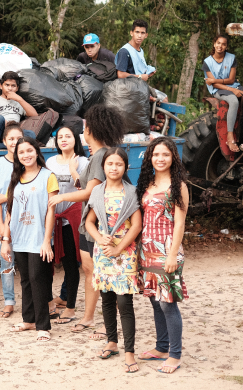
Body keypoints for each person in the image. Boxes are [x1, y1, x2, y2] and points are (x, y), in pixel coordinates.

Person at [48, 104, 126, 336]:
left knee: (104, 272)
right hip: (88, 223)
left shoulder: (103, 155)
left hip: (101, 225)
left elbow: (90, 192)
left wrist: (59, 197)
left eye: (85, 127)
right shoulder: (96, 156)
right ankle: (89, 317)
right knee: (90, 269)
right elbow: (87, 184)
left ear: (92, 130)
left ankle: (109, 321)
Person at [85, 147, 142, 373]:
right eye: (110, 164)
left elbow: (136, 225)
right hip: (103, 251)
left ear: (125, 167)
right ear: (104, 166)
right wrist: (100, 238)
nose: (114, 168)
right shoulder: (97, 192)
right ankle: (112, 342)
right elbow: (89, 221)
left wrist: (119, 248)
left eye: (119, 164)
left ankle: (130, 352)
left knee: (124, 303)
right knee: (107, 299)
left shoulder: (131, 192)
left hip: (124, 252)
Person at [136, 136, 189, 374]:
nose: (160, 159)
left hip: (167, 250)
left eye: (165, 155)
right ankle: (161, 347)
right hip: (147, 250)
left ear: (173, 158)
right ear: (150, 157)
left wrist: (171, 255)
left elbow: (179, 224)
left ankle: (175, 355)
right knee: (155, 300)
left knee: (168, 303)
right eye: (156, 154)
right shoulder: (146, 184)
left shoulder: (179, 186)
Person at [1, 136, 58, 342]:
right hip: (19, 237)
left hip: (38, 238)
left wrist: (46, 240)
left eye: (29, 151)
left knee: (38, 278)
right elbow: (10, 211)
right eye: (21, 152)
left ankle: (43, 326)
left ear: (36, 151)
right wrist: (5, 240)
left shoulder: (48, 176)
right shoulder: (15, 177)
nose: (26, 155)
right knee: (25, 279)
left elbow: (51, 211)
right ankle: (29, 319)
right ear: (17, 156)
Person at [46, 126, 89, 325]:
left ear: (75, 139)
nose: (63, 140)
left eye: (68, 136)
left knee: (72, 265)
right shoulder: (51, 162)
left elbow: (85, 189)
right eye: (60, 137)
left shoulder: (83, 162)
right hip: (53, 219)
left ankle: (70, 308)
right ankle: (51, 303)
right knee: (50, 263)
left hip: (73, 220)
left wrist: (73, 170)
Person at [0, 123, 24, 318]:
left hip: (26, 220)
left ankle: (31, 298)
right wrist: (2, 228)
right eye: (11, 139)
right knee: (7, 262)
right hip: (2, 220)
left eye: (18, 139)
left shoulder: (28, 162)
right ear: (4, 141)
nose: (14, 142)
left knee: (27, 263)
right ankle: (9, 301)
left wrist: (7, 196)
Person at [202, 34, 243, 152]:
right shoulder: (207, 62)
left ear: (226, 46)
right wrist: (232, 90)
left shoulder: (231, 58)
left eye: (223, 44)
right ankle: (230, 135)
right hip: (218, 89)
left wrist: (217, 81)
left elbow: (231, 80)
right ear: (214, 44)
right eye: (218, 43)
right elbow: (214, 85)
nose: (220, 46)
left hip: (234, 85)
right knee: (233, 101)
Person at [0, 72, 38, 150]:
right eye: (7, 85)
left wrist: (19, 99)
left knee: (31, 135)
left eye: (13, 86)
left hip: (14, 131)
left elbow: (34, 115)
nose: (10, 88)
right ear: (1, 86)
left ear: (17, 88)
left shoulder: (19, 101)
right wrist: (5, 122)